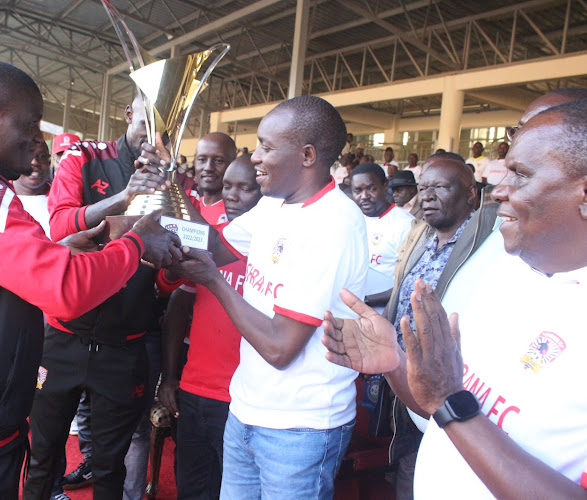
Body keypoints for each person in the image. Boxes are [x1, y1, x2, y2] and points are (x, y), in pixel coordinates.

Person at [0, 60, 181, 500]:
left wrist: (65, 248)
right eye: (28, 125)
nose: (35, 141)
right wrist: (138, 243)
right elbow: (67, 290)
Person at [322, 98, 587, 499]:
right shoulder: (507, 272)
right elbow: (443, 413)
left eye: (520, 175)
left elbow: (453, 407)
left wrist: (449, 401)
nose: (498, 190)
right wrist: (396, 362)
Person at [171, 95, 368, 499]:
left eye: (266, 146)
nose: (254, 156)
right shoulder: (276, 205)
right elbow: (216, 244)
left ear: (307, 155)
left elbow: (280, 348)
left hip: (300, 427)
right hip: (246, 408)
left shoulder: (332, 224)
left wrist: (214, 281)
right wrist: (169, 190)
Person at [25, 92, 176, 500]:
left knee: (111, 466)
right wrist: (124, 197)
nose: (157, 128)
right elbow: (59, 227)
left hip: (124, 346)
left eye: (168, 120)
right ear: (130, 114)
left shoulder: (174, 176)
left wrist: (170, 266)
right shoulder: (83, 156)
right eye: (150, 115)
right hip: (62, 335)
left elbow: (172, 270)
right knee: (42, 454)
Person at [384, 153, 486, 499]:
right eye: (423, 188)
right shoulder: (419, 235)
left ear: (471, 194)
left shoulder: (489, 244)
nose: (426, 196)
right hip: (404, 373)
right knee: (407, 461)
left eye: (439, 188)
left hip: (450, 380)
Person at [159, 155, 261, 499]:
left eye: (245, 188)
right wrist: (171, 377)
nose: (231, 195)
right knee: (191, 486)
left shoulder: (273, 253)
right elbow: (176, 312)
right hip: (194, 390)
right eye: (228, 186)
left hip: (242, 399)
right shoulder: (210, 243)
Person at [350, 162, 414, 313]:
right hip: (352, 310)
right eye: (358, 191)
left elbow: (409, 282)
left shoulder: (406, 224)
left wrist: (365, 300)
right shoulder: (351, 221)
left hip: (387, 312)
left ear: (385, 186)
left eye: (372, 189)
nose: (364, 196)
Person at [187, 132, 237, 225]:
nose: (208, 168)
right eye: (202, 159)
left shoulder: (237, 213)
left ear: (233, 164)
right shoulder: (187, 200)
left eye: (218, 161)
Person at [14, 139, 52, 235]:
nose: (34, 162)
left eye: (42, 156)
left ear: (49, 163)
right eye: (26, 156)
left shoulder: (64, 198)